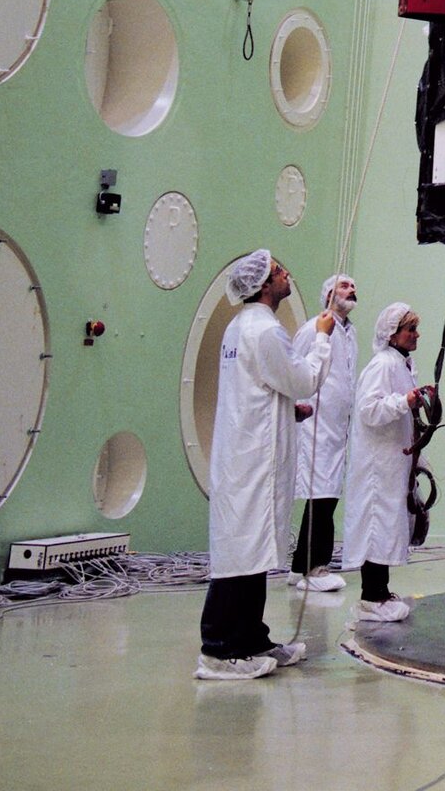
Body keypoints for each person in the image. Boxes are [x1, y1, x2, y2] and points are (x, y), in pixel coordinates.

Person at [197, 251, 336, 681]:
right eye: (278, 271)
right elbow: (302, 379)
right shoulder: (265, 331)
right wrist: (323, 338)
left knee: (251, 549)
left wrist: (285, 412)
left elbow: (257, 388)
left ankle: (253, 639)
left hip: (247, 452)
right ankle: (218, 651)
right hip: (251, 459)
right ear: (262, 286)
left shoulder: (239, 328)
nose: (285, 273)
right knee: (239, 554)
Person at [342, 301, 429, 624]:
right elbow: (368, 410)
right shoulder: (382, 365)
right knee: (377, 528)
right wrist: (404, 401)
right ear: (392, 334)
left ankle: (380, 591)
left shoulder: (401, 363)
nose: (416, 335)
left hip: (394, 459)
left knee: (388, 527)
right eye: (411, 330)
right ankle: (371, 597)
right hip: (378, 464)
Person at [290, 273, 358, 594]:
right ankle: (314, 568)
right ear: (329, 293)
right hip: (315, 425)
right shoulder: (312, 330)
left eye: (353, 286)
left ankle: (297, 567)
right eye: (345, 285)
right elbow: (296, 368)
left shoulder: (348, 333)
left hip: (337, 427)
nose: (352, 289)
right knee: (321, 495)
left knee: (327, 494)